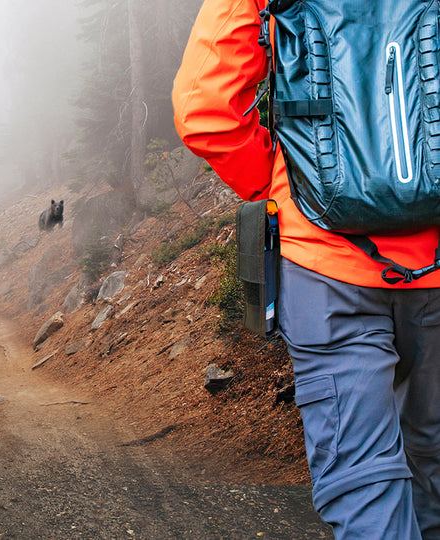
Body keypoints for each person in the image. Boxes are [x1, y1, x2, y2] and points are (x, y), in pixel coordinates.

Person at [172, 1, 440, 538]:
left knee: (363, 482)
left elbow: (205, 110)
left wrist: (285, 187)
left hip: (324, 270)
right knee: (433, 460)